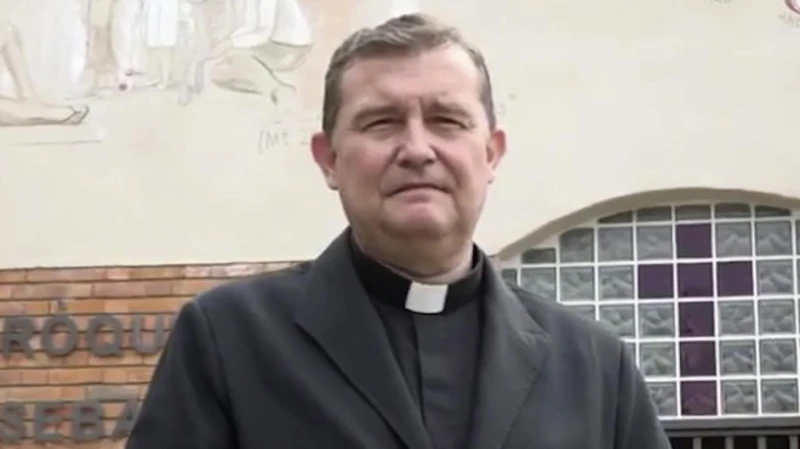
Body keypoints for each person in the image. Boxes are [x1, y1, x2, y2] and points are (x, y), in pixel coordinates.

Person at [125, 13, 671, 449]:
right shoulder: (230, 340)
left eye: (446, 120)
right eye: (381, 122)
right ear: (329, 159)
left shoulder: (595, 367)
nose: (416, 149)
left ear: (491, 154)